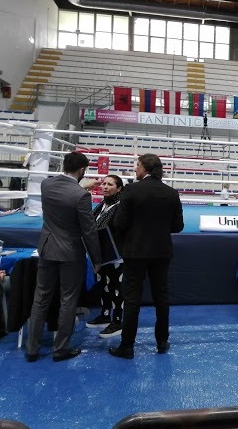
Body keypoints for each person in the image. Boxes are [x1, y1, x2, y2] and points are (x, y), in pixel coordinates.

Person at [26, 151, 102, 363]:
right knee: (68, 300)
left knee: (40, 298)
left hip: (48, 247)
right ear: (82, 170)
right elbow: (88, 230)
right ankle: (60, 349)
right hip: (70, 251)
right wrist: (97, 259)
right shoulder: (81, 196)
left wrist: (82, 186)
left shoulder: (46, 185)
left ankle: (32, 349)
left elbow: (64, 194)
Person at [109, 154, 184, 359]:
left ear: (144, 168)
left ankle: (127, 346)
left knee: (132, 299)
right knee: (162, 297)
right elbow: (178, 226)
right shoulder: (171, 193)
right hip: (161, 251)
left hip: (135, 251)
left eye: (137, 166)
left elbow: (120, 223)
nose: (135, 169)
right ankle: (162, 342)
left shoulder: (132, 189)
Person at [86, 175, 124, 339]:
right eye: (104, 184)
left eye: (110, 184)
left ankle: (117, 321)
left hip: (117, 256)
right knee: (103, 286)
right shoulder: (102, 205)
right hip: (101, 254)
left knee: (117, 289)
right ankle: (105, 315)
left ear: (119, 188)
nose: (105, 187)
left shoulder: (121, 206)